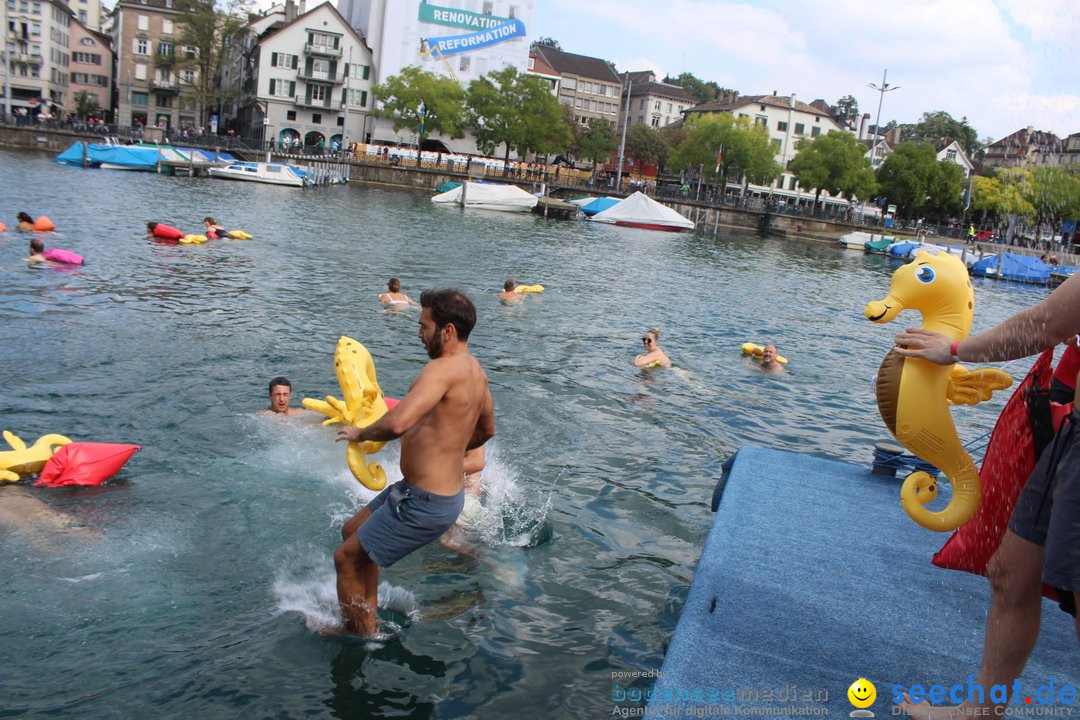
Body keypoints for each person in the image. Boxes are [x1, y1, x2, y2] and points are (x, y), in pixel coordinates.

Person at [892, 273, 1080, 719]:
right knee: (1010, 573)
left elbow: (1043, 326)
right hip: (1073, 441)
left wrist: (953, 351)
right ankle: (981, 713)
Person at [333, 289, 495, 636]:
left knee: (345, 559)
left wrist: (360, 434)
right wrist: (446, 448)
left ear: (447, 330)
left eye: (424, 326)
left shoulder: (440, 370)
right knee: (351, 532)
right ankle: (367, 618)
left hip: (425, 501)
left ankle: (359, 636)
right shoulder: (477, 373)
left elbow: (397, 423)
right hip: (420, 492)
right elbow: (486, 430)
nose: (418, 334)